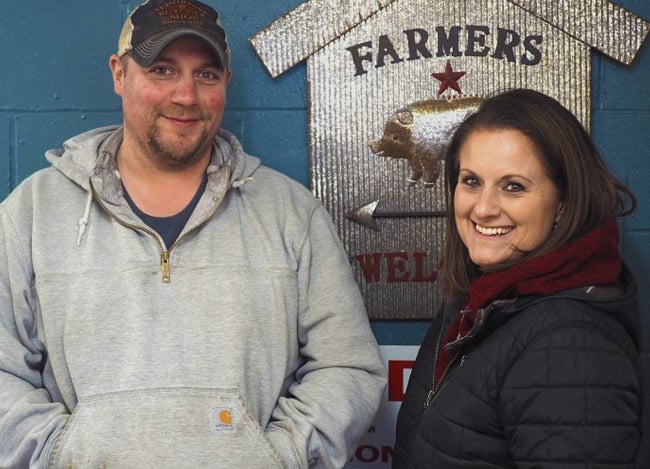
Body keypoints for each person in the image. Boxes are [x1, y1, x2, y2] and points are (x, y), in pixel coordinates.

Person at [0, 1, 386, 467]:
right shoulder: (33, 212)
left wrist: (275, 456)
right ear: (119, 74)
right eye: (162, 70)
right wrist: (64, 454)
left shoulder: (289, 212)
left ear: (224, 83)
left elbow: (348, 367)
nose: (185, 95)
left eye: (205, 74)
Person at [393, 89, 642, 468]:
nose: (484, 208)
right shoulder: (479, 303)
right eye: (471, 181)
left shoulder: (570, 346)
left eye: (514, 186)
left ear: (563, 203)